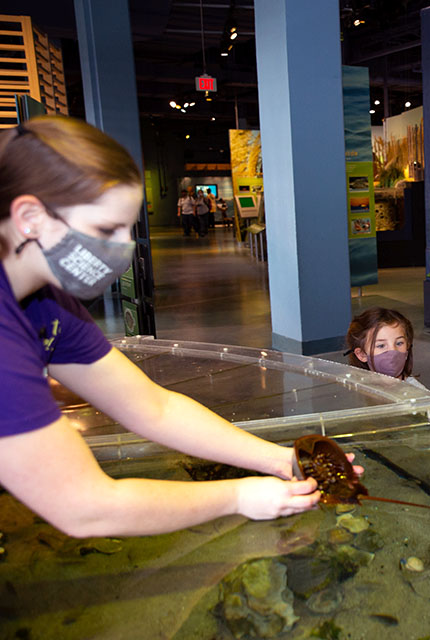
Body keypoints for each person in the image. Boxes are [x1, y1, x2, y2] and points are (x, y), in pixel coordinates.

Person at [0, 116, 339, 538]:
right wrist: (238, 497)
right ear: (30, 216)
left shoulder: (48, 305)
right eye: (105, 229)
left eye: (128, 228)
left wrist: (279, 460)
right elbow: (84, 506)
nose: (123, 248)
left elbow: (153, 407)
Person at [345, 306, 429, 390]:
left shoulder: (418, 393)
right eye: (381, 345)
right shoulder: (354, 388)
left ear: (407, 346)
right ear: (362, 354)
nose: (393, 351)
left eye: (399, 343)